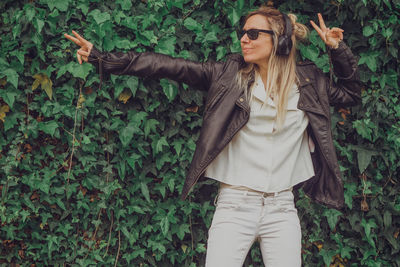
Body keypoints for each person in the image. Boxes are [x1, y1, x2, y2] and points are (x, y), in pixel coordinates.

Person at [65, 5, 361, 267]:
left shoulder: (308, 83)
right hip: (235, 206)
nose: (244, 39)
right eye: (243, 32)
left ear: (280, 41)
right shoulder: (228, 75)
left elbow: (350, 93)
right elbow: (168, 66)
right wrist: (104, 59)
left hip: (282, 208)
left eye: (254, 33)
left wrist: (338, 50)